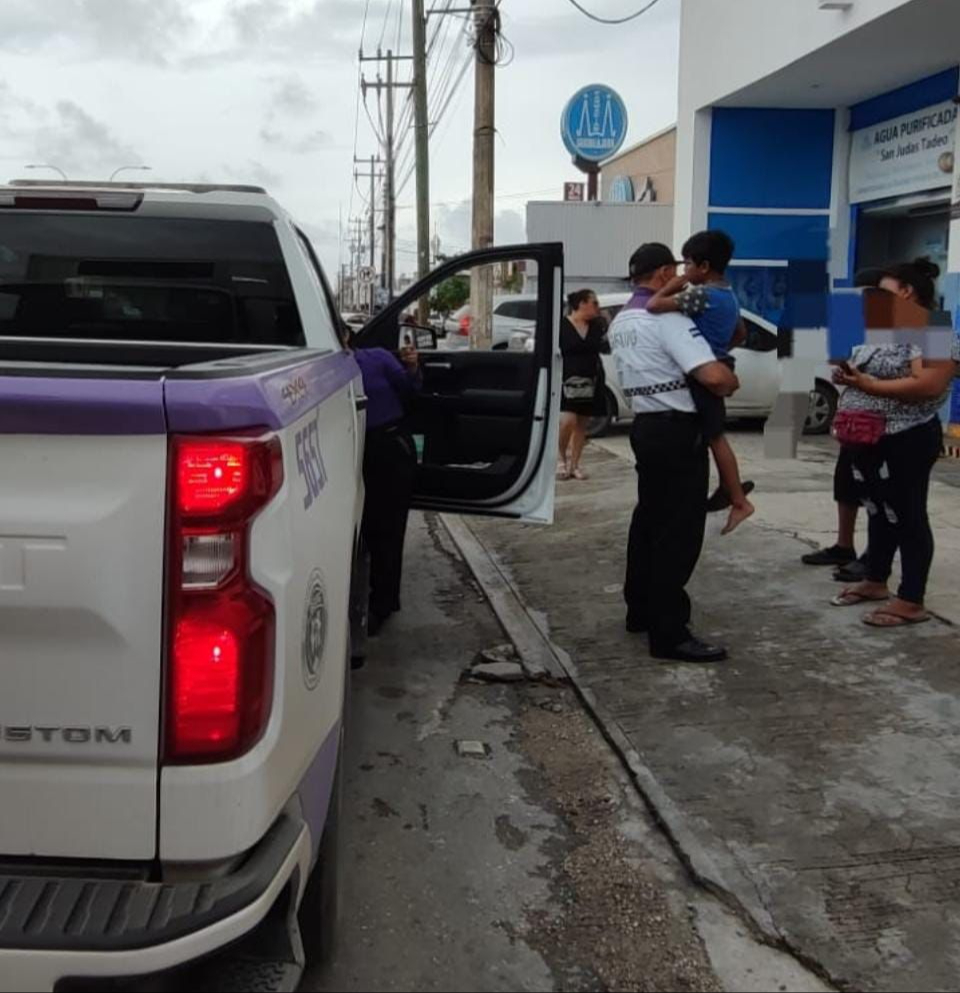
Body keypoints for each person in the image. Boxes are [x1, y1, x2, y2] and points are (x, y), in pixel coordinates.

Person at [609, 243, 739, 663]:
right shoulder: (667, 319)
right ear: (665, 273)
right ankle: (669, 633)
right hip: (678, 432)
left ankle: (640, 611)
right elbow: (714, 376)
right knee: (678, 534)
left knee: (648, 522)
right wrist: (729, 380)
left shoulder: (622, 320)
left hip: (645, 429)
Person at [831, 257, 959, 627]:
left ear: (905, 291)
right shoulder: (886, 331)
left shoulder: (933, 330)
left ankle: (911, 600)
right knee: (878, 510)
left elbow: (930, 384)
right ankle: (875, 579)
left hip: (907, 437)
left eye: (881, 292)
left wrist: (869, 385)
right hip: (870, 438)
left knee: (908, 515)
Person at [646, 230, 755, 534]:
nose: (684, 271)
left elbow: (653, 305)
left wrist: (675, 282)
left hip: (704, 373)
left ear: (704, 267)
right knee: (713, 433)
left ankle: (737, 499)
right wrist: (719, 351)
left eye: (688, 264)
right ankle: (730, 491)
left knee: (714, 436)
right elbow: (740, 333)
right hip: (719, 361)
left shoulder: (701, 294)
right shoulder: (729, 295)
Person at [801, 267, 886, 581]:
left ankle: (875, 559)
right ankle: (844, 545)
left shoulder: (907, 331)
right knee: (847, 486)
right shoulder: (864, 327)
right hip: (856, 423)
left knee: (882, 498)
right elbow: (841, 358)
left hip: (887, 428)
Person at [351, 335, 422, 635]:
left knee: (387, 529)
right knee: (363, 530)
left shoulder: (376, 357)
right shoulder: (320, 369)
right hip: (348, 449)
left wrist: (412, 367)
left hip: (387, 446)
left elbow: (410, 390)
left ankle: (382, 603)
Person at [558, 289, 607, 480]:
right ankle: (561, 458)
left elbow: (604, 347)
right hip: (567, 379)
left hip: (591, 379)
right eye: (594, 303)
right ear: (581, 304)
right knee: (567, 421)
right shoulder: (562, 325)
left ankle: (575, 464)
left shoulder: (597, 326)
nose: (597, 307)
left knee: (582, 424)